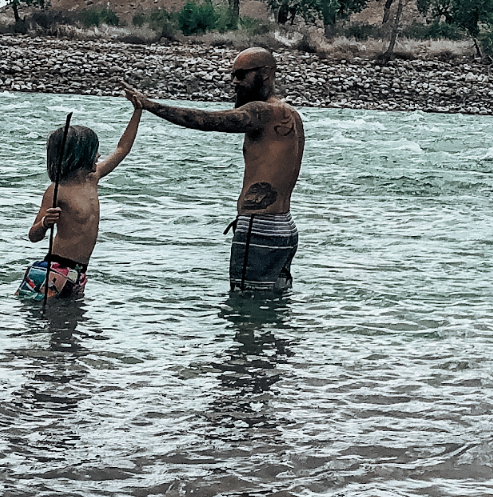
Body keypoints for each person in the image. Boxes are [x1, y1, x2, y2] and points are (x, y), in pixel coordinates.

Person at [123, 47, 305, 291]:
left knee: (244, 310)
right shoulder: (292, 115)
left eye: (241, 75)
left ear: (265, 73)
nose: (234, 82)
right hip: (284, 229)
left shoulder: (262, 112)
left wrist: (151, 106)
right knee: (273, 308)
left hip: (259, 228)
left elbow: (209, 121)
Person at [18, 107, 142, 304]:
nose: (99, 155)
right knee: (54, 325)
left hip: (79, 271)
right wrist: (45, 223)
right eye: (94, 152)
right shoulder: (58, 189)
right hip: (57, 268)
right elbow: (33, 236)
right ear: (78, 156)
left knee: (71, 324)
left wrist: (138, 111)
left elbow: (122, 149)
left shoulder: (93, 178)